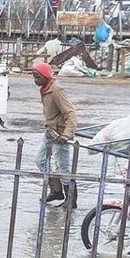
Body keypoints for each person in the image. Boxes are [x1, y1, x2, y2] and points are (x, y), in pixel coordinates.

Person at [32, 61, 77, 208]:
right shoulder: (44, 88)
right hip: (50, 131)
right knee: (40, 161)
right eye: (34, 76)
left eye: (37, 76)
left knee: (63, 167)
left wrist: (67, 134)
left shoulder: (57, 89)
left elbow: (70, 113)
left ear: (45, 76)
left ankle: (71, 200)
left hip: (60, 134)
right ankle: (56, 191)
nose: (35, 80)